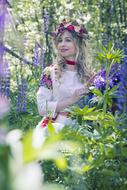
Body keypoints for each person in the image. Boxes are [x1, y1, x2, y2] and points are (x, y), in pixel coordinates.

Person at [36, 19, 93, 132]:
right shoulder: (50, 72)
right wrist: (71, 100)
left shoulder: (89, 75)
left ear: (78, 43)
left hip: (81, 128)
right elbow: (42, 109)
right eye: (60, 40)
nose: (62, 44)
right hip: (54, 126)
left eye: (68, 40)